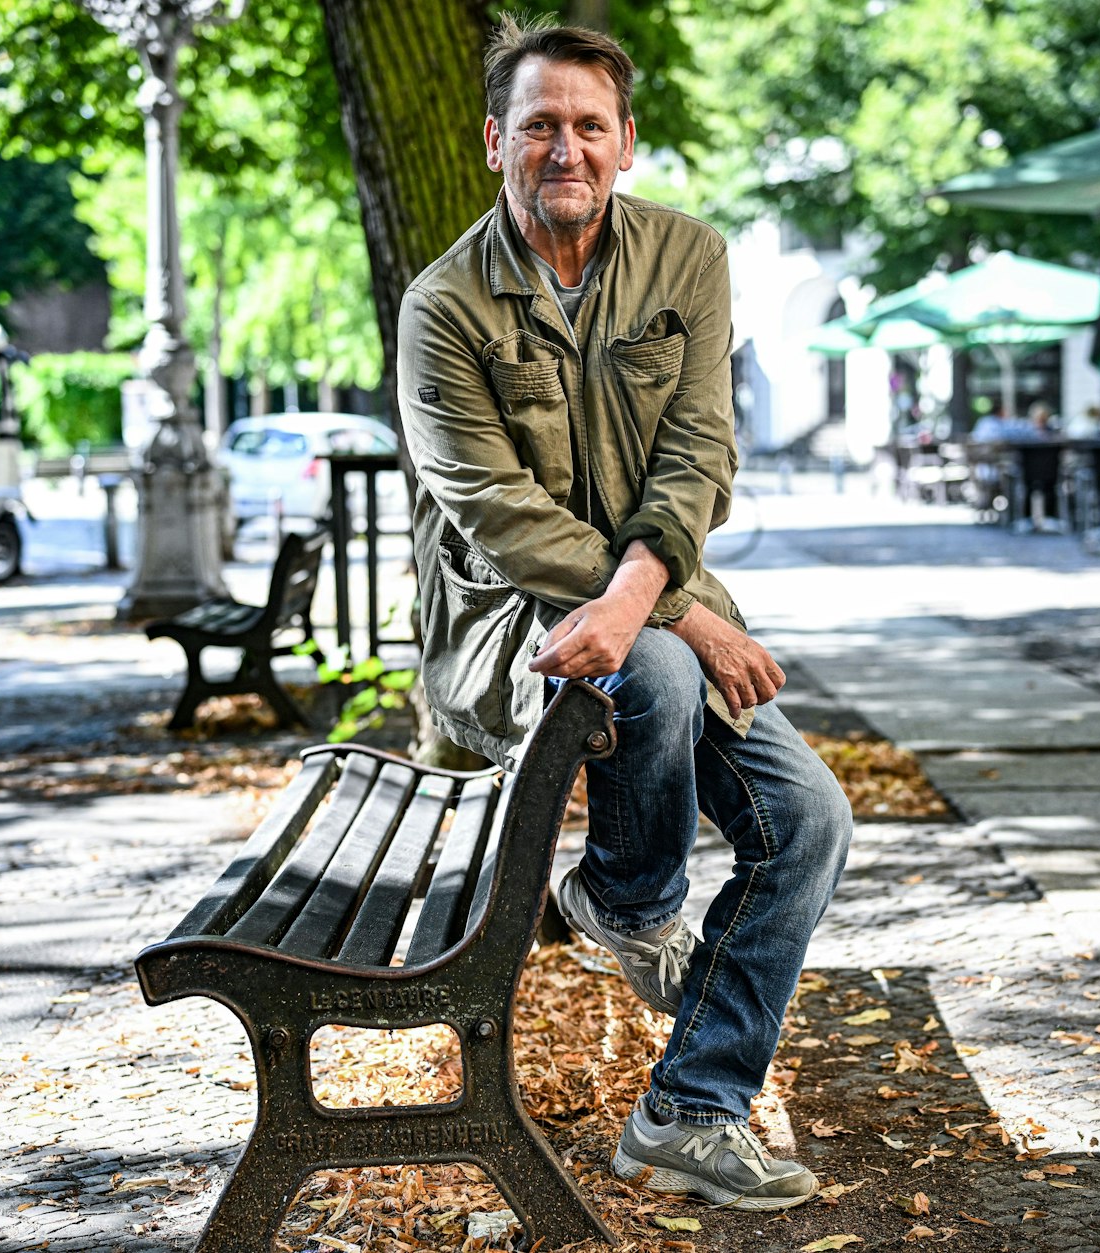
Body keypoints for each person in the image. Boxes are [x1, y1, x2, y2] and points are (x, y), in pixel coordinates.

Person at [395, 16, 852, 1213]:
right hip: (509, 627)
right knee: (640, 671)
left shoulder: (688, 258)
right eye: (538, 124)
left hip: (663, 606)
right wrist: (678, 617)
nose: (565, 147)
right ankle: (633, 898)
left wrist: (664, 603)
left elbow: (698, 453)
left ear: (625, 141)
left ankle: (687, 1112)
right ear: (495, 140)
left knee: (807, 821)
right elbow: (497, 513)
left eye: (587, 125)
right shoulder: (440, 307)